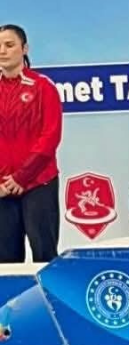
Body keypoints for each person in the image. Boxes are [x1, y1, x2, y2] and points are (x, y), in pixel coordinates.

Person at [0, 24, 63, 263]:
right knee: (5, 261)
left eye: (9, 45)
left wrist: (21, 177)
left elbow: (50, 138)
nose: (2, 51)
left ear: (24, 49)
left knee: (44, 255)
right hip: (2, 188)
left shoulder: (43, 87)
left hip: (39, 184)